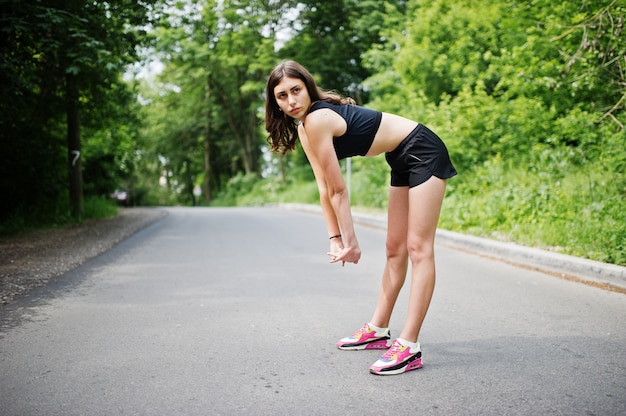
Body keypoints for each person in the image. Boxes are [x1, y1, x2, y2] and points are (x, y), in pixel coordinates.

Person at [265, 60, 457, 376]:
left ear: (307, 88)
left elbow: (340, 189)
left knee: (418, 248)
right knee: (394, 248)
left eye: (296, 91)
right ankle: (379, 329)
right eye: (282, 97)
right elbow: (324, 189)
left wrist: (352, 243)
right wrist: (335, 238)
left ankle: (409, 347)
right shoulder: (304, 128)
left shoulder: (318, 119)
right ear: (275, 103)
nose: (291, 101)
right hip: (400, 157)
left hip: (424, 149)